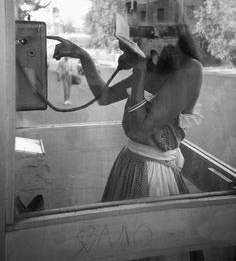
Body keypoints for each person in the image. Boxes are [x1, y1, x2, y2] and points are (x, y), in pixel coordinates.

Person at [51, 19, 203, 260]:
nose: (134, 44)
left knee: (148, 246)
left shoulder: (189, 69)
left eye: (139, 37)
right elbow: (105, 95)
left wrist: (140, 70)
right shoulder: (154, 66)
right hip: (128, 163)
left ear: (163, 35)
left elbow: (142, 129)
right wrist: (83, 56)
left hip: (155, 172)